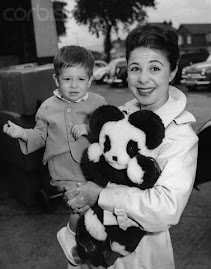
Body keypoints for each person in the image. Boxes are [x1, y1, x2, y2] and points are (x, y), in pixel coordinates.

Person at [64, 24, 198, 269]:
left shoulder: (180, 136)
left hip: (142, 257)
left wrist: (101, 195)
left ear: (172, 71)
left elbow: (165, 208)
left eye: (155, 68)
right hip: (96, 241)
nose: (143, 78)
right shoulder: (119, 118)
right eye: (135, 68)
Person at [3, 45, 107, 267]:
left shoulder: (98, 103)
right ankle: (70, 234)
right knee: (81, 207)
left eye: (80, 79)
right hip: (64, 171)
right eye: (67, 79)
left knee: (98, 214)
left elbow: (110, 132)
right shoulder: (47, 108)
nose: (74, 85)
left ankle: (83, 250)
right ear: (56, 79)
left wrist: (90, 129)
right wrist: (22, 133)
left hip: (94, 171)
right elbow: (40, 135)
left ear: (90, 79)